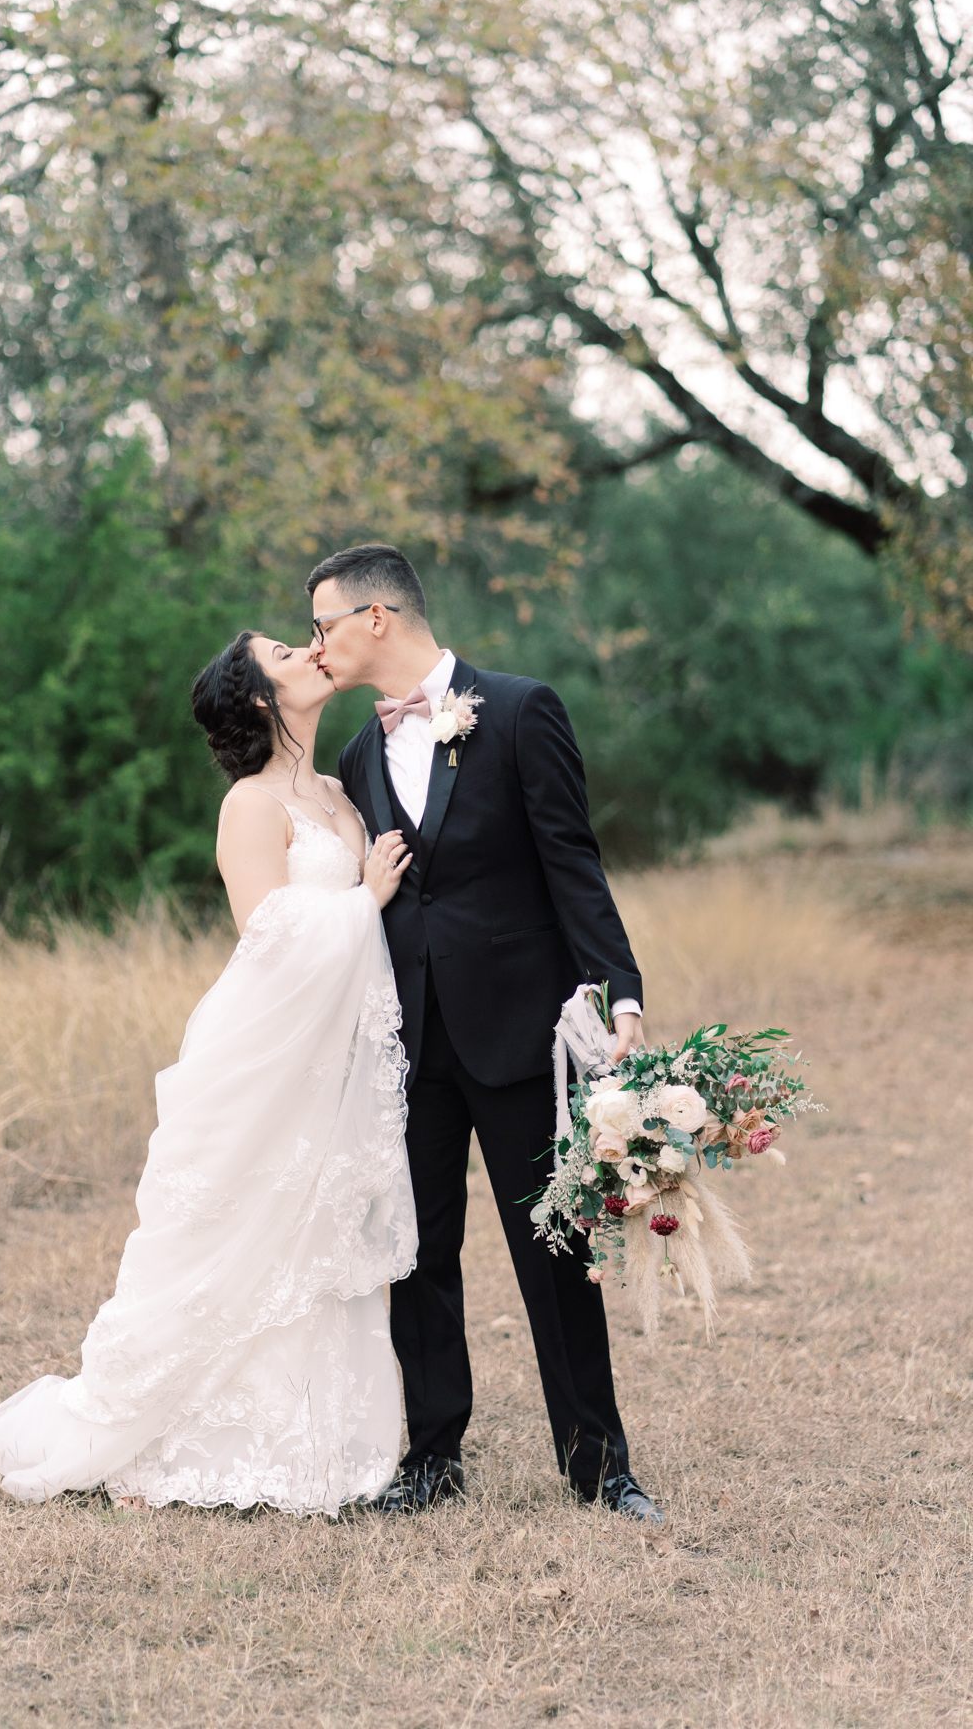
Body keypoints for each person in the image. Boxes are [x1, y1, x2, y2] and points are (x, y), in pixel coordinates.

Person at [0, 632, 418, 1515]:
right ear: (260, 697)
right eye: (287, 652)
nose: (308, 651)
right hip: (265, 1048)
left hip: (331, 1055)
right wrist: (364, 899)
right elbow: (268, 932)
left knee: (311, 1228)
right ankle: (170, 1431)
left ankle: (305, 1440)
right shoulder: (249, 806)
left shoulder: (338, 788)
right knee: (237, 1221)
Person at [310, 543, 664, 1525]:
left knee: (553, 1245)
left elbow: (572, 863)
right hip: (409, 1040)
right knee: (416, 1251)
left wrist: (618, 991)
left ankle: (599, 1466)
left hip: (517, 1027)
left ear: (377, 617)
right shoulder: (354, 757)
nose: (317, 644)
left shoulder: (516, 710)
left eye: (324, 623)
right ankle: (430, 1459)